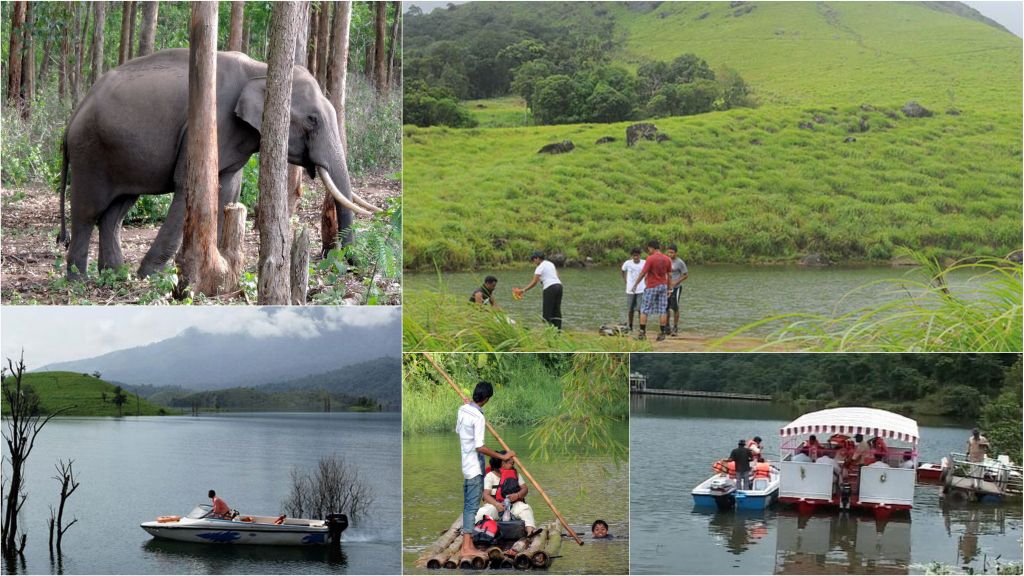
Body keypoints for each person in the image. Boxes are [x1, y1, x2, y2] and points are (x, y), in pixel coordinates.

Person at [457, 381, 516, 559]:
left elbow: (459, 430)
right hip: (475, 469)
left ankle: (467, 544)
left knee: (469, 506)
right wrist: (503, 457)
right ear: (487, 399)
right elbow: (479, 447)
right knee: (471, 508)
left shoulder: (463, 409)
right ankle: (467, 548)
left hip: (466, 466)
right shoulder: (478, 417)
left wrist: (469, 406)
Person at [475, 451, 536, 533]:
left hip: (513, 505)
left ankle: (530, 531)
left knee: (525, 509)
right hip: (495, 506)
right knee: (482, 512)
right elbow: (486, 495)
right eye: (510, 462)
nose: (512, 464)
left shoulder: (515, 474)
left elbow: (525, 489)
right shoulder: (490, 476)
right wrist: (496, 504)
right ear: (502, 463)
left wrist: (517, 495)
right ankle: (472, 532)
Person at [630, 240, 672, 341]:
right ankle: (662, 333)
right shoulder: (667, 259)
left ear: (651, 248)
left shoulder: (650, 259)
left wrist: (635, 284)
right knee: (662, 310)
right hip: (663, 286)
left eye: (648, 249)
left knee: (644, 309)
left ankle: (642, 333)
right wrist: (669, 288)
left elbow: (643, 273)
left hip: (652, 286)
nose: (648, 251)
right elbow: (669, 275)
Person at [517, 251, 563, 330]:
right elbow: (557, 275)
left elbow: (534, 282)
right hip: (559, 286)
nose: (534, 261)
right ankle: (558, 331)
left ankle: (548, 331)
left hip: (550, 288)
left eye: (534, 259)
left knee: (547, 312)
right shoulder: (550, 264)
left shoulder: (540, 267)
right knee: (556, 310)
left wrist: (523, 290)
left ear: (538, 258)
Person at [664, 244, 689, 336]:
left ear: (676, 253)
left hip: (676, 288)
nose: (670, 254)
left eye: (672, 252)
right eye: (669, 252)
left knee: (675, 307)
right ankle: (667, 326)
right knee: (666, 307)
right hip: (666, 288)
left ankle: (675, 327)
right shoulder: (665, 261)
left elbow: (686, 275)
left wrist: (676, 282)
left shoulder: (680, 262)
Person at [620, 248, 646, 332]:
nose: (635, 257)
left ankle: (641, 327)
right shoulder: (627, 263)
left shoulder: (644, 263)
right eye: (634, 255)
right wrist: (625, 281)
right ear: (632, 256)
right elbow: (623, 271)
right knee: (630, 309)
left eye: (637, 255)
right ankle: (630, 326)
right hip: (630, 290)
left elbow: (648, 273)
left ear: (640, 255)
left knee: (640, 309)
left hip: (641, 289)